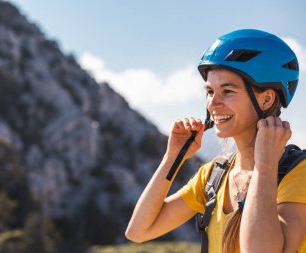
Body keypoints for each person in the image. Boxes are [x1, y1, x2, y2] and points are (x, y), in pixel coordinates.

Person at [125, 29, 306, 253]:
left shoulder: (299, 173)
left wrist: (265, 165)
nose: (212, 104)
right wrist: (172, 157)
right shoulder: (213, 176)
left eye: (227, 91)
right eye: (210, 91)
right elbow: (138, 231)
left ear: (267, 99)